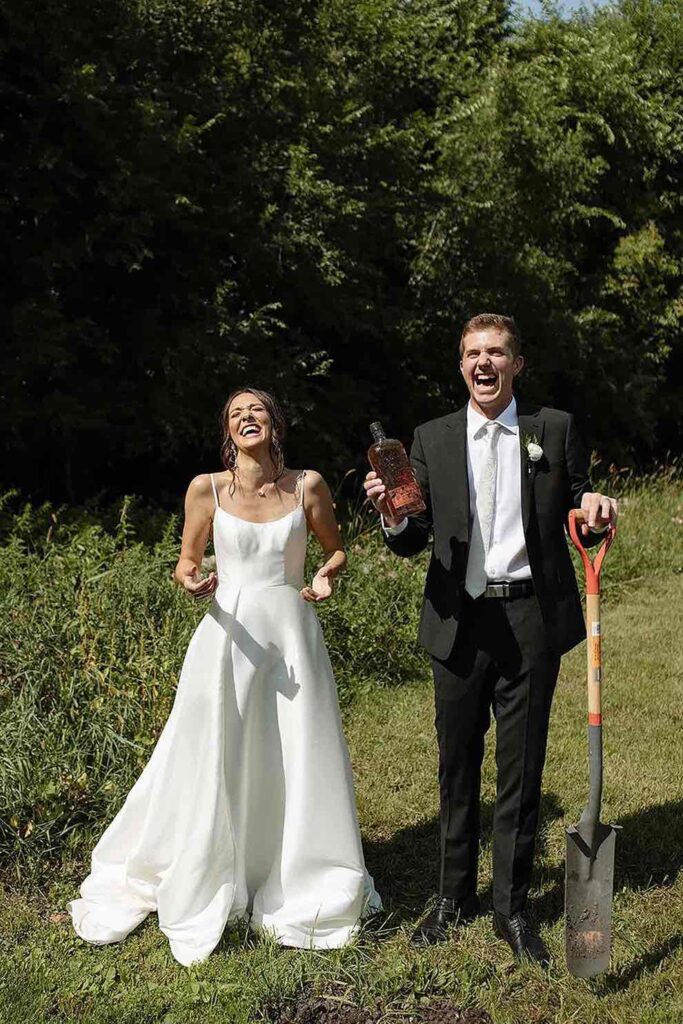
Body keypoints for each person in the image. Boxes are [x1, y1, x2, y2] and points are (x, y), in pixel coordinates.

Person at [69, 388, 380, 965]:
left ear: (275, 423)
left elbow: (336, 552)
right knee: (220, 750)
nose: (247, 418)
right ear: (227, 431)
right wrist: (191, 578)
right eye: (237, 413)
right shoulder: (204, 489)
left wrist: (328, 577)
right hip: (228, 637)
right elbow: (185, 561)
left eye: (256, 409)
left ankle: (296, 870)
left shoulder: (307, 485)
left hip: (291, 636)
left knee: (294, 750)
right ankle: (216, 866)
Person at [364, 314, 617, 964]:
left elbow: (580, 504)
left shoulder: (551, 429)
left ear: (516, 364)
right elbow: (412, 537)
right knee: (456, 767)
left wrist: (593, 510)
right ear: (460, 366)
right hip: (457, 619)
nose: (484, 362)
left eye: (496, 352)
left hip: (531, 615)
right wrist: (393, 516)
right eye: (472, 353)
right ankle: (453, 898)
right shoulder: (431, 438)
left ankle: (510, 907)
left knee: (520, 767)